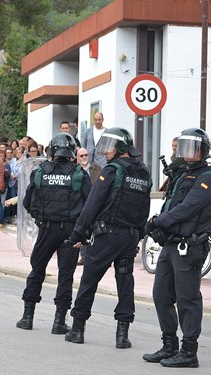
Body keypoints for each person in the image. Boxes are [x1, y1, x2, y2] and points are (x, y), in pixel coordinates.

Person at [65, 127, 152, 348]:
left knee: (89, 280)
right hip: (130, 236)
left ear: (121, 147)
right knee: (125, 282)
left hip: (107, 236)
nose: (105, 152)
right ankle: (122, 336)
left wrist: (78, 232)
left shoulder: (112, 171)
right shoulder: (143, 172)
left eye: (109, 147)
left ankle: (77, 329)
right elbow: (144, 208)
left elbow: (93, 203)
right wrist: (138, 235)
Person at [143, 128, 211, 368]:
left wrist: (158, 222)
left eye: (194, 148)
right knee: (161, 295)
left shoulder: (207, 176)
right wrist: (159, 225)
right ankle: (169, 344)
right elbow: (170, 203)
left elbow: (188, 208)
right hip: (171, 243)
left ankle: (189, 351)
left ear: (203, 151)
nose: (189, 152)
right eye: (186, 147)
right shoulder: (182, 174)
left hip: (189, 246)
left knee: (187, 298)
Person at [17, 133, 91, 334]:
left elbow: (27, 202)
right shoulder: (79, 173)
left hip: (47, 229)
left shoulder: (41, 172)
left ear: (52, 150)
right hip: (70, 231)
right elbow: (89, 206)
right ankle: (59, 322)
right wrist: (82, 233)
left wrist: (40, 218)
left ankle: (27, 317)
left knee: (37, 271)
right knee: (65, 276)